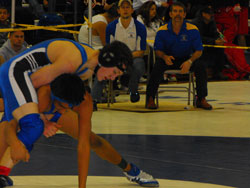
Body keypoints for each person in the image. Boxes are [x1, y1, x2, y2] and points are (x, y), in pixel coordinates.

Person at [0, 39, 133, 188]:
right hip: (16, 73)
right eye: (115, 72)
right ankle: (2, 171)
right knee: (30, 125)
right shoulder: (71, 62)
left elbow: (49, 89)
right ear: (106, 60)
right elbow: (32, 83)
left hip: (29, 82)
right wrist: (37, 119)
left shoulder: (87, 69)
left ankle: (2, 171)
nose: (113, 78)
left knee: (29, 126)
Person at [0, 73, 159, 187]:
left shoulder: (83, 101)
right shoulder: (41, 95)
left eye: (69, 107)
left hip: (52, 107)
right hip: (28, 109)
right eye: (62, 106)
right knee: (12, 137)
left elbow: (83, 146)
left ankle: (130, 170)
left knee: (92, 140)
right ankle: (2, 173)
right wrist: (15, 143)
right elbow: (11, 124)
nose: (64, 110)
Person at [145, 2, 212, 110]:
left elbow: (199, 50)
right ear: (170, 14)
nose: (178, 14)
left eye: (181, 11)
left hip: (187, 58)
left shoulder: (193, 29)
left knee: (201, 65)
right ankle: (150, 98)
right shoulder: (162, 30)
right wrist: (164, 57)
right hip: (169, 59)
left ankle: (201, 98)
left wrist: (190, 61)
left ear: (185, 14)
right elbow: (158, 51)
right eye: (175, 11)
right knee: (157, 66)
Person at [105, 0, 147, 103]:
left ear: (132, 10)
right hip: (116, 58)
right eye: (122, 7)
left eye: (128, 7)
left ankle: (133, 91)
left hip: (135, 58)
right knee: (102, 67)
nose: (125, 10)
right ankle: (95, 98)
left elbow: (141, 51)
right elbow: (109, 48)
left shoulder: (140, 27)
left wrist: (126, 56)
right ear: (118, 10)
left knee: (137, 67)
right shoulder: (111, 27)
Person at [191, 6, 227, 80]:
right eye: (209, 14)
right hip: (198, 45)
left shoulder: (212, 22)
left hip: (210, 44)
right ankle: (202, 72)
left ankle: (218, 72)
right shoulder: (195, 23)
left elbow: (215, 33)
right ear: (203, 14)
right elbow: (198, 37)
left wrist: (220, 39)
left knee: (220, 49)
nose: (212, 15)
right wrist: (213, 41)